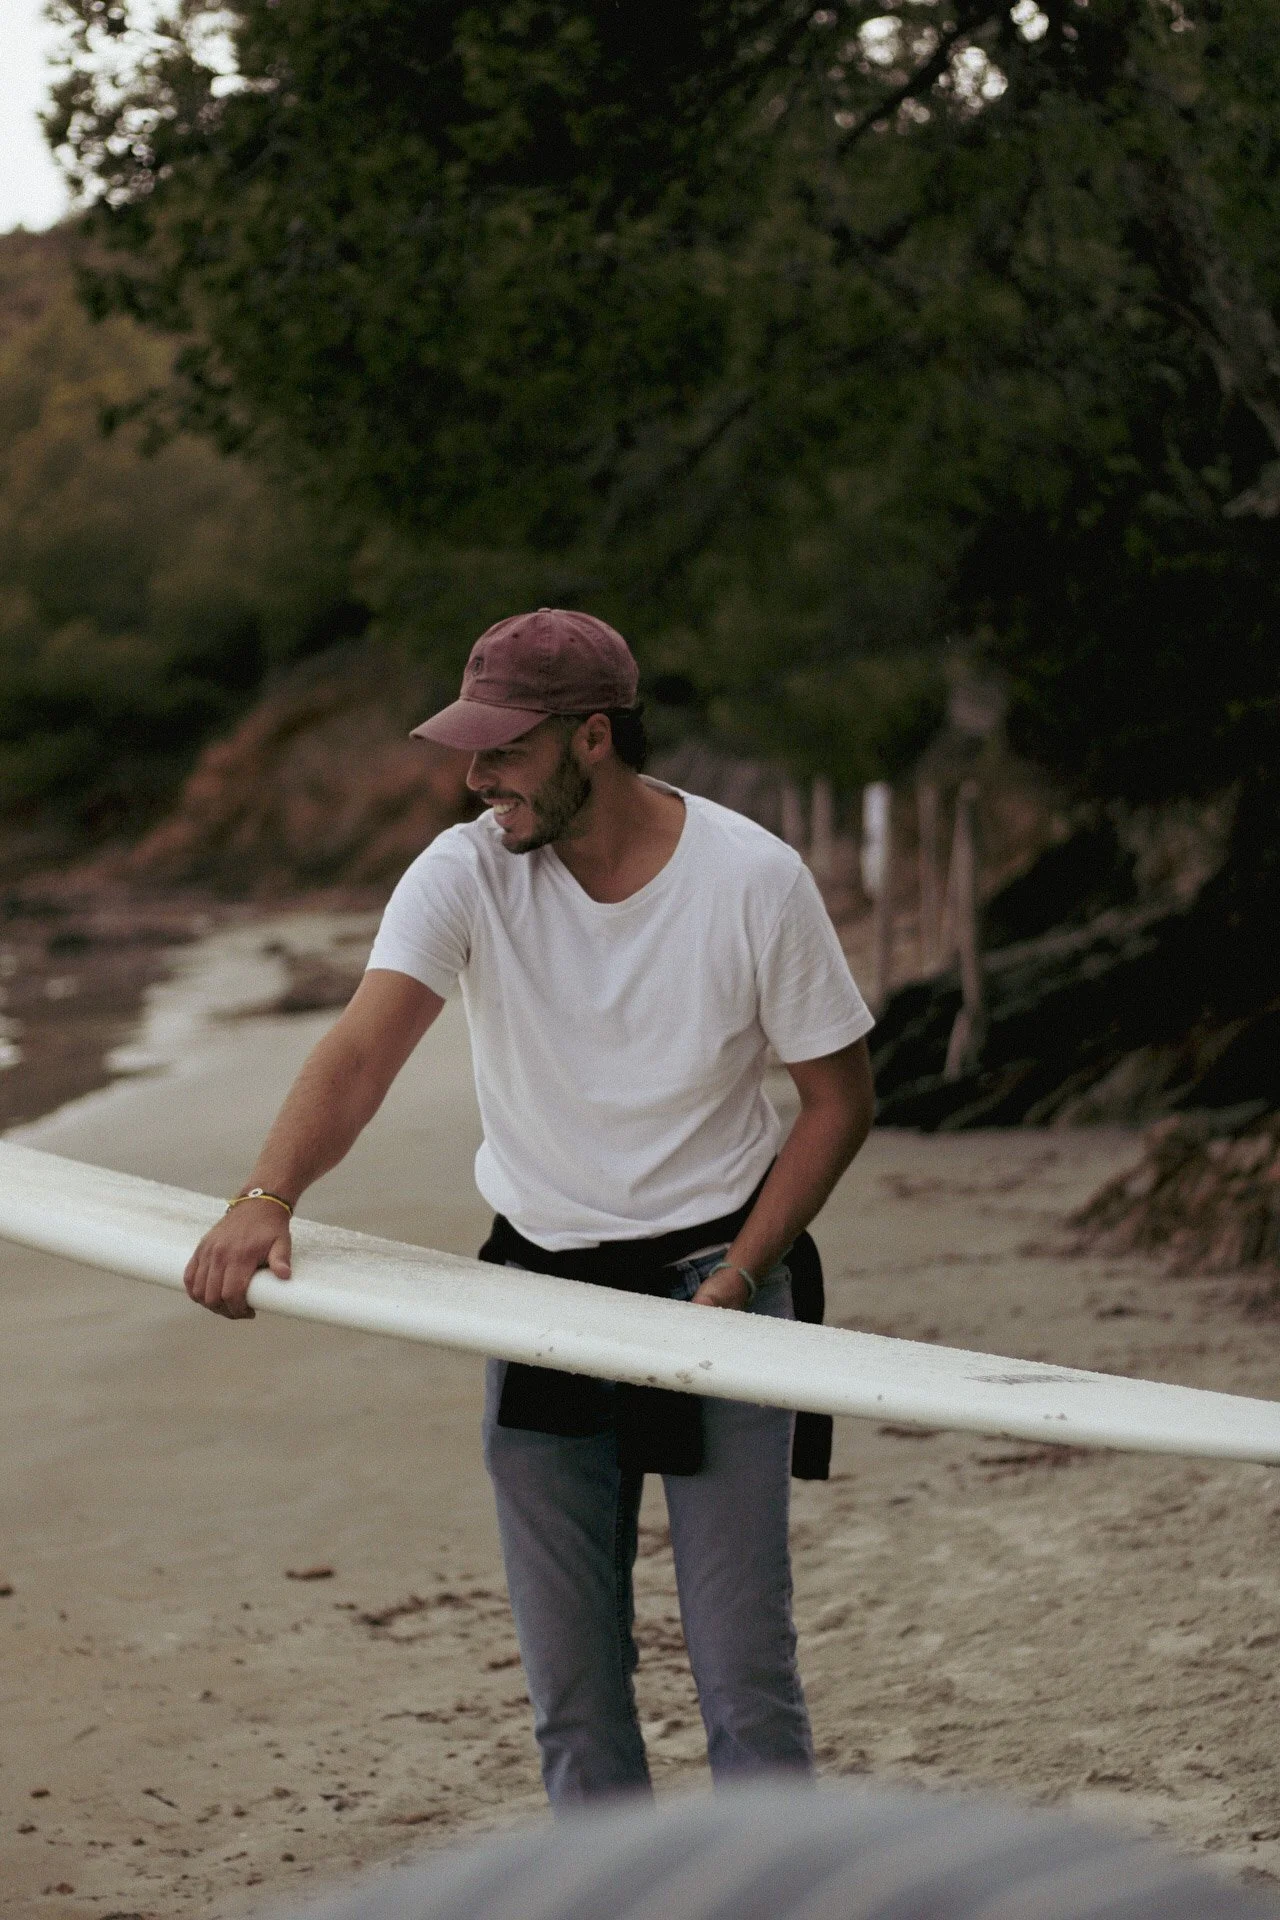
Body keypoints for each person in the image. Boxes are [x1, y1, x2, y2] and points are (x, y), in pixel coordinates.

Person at [183, 607, 876, 1807]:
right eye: (471, 749)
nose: (476, 776)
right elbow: (360, 1050)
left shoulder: (751, 878)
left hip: (718, 1284)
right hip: (539, 1286)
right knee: (572, 1694)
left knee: (742, 1680)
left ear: (590, 739)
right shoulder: (464, 870)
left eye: (503, 750)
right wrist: (266, 1193)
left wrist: (739, 1276)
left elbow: (836, 1099)